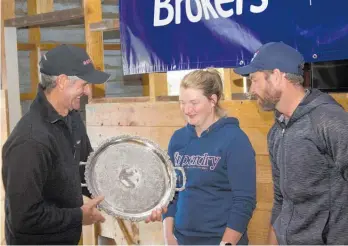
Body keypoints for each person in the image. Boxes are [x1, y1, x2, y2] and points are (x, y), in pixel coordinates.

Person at [2, 44, 165, 245]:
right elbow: (23, 218)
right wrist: (78, 217)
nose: (88, 91)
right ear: (62, 81)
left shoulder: (72, 119)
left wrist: (143, 201)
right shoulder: (30, 141)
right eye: (83, 84)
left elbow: (90, 174)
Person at [233, 41, 348, 245]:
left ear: (277, 76)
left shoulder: (329, 120)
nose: (251, 89)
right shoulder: (277, 132)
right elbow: (281, 201)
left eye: (255, 80)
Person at [162, 68, 257, 245]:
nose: (187, 109)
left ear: (212, 100)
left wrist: (225, 244)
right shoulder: (178, 139)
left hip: (219, 240)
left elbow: (244, 201)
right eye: (182, 102)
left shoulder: (235, 140)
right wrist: (168, 236)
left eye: (194, 103)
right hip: (182, 239)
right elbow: (171, 193)